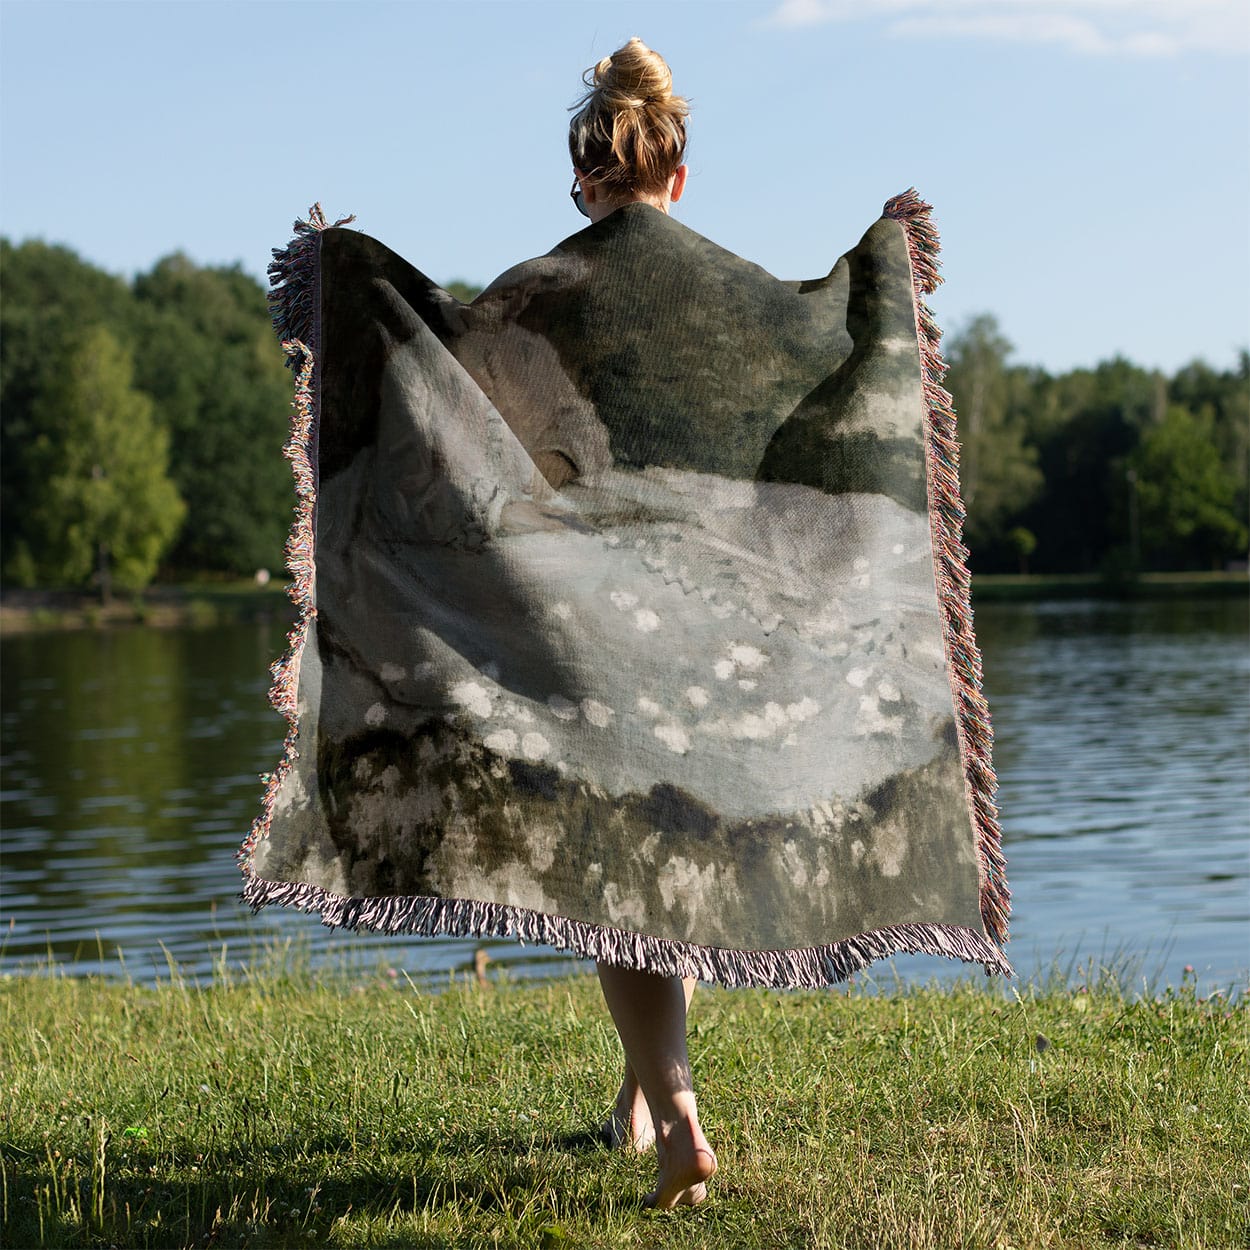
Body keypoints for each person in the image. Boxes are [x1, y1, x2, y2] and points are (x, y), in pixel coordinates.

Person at [566, 36, 717, 1212]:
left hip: (593, 618)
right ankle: (632, 1099)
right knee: (659, 864)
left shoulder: (549, 284)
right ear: (675, 174)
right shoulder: (730, 294)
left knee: (614, 880)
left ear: (588, 180)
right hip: (709, 619)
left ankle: (676, 1116)